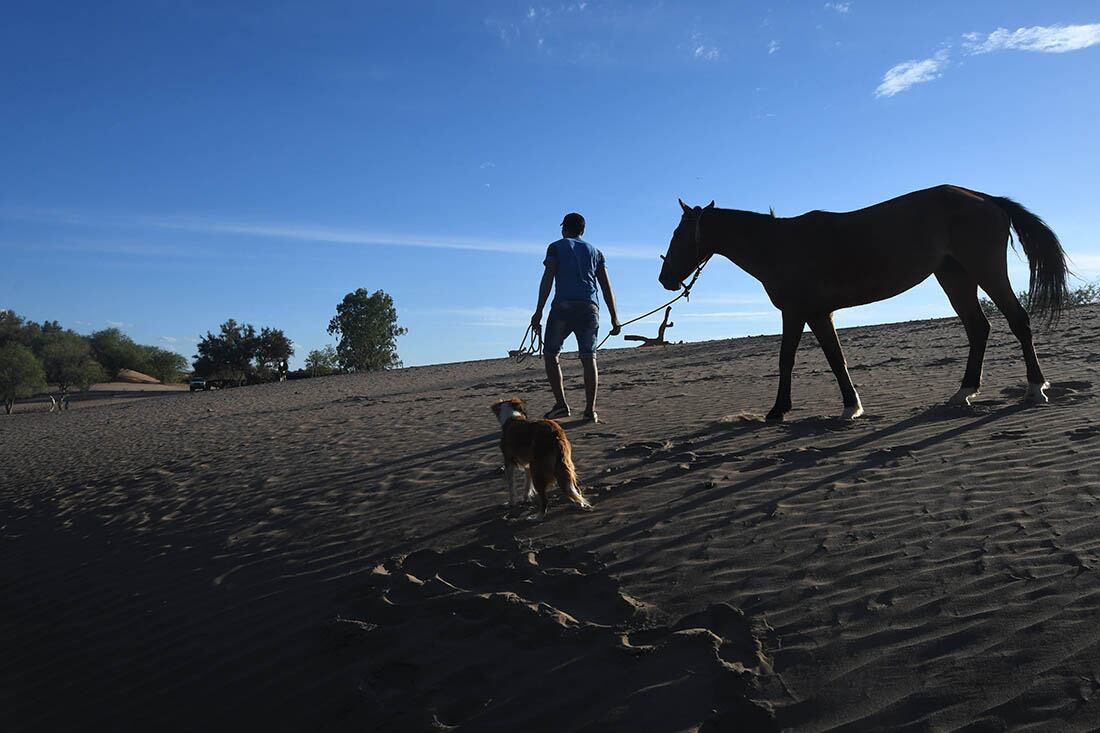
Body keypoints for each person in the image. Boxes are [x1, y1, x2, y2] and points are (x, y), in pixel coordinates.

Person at [531, 212, 621, 422]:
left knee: (551, 355)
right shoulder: (596, 252)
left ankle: (562, 405)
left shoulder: (556, 247)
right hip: (590, 307)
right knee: (589, 358)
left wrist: (538, 311)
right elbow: (606, 286)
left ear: (564, 228)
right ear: (583, 230)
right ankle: (590, 410)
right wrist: (615, 317)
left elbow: (548, 278)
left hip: (564, 306)